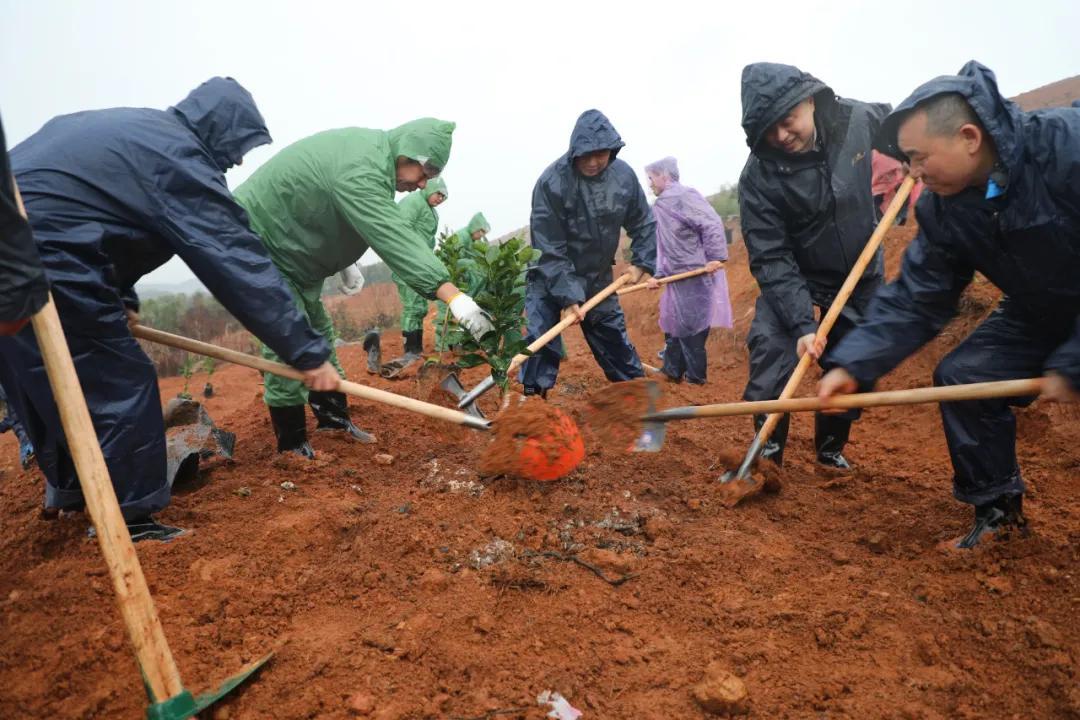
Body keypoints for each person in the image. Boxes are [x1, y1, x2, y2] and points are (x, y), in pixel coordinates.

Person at [3, 78, 337, 541]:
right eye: (237, 147)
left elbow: (100, 219)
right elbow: (233, 257)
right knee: (120, 380)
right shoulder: (176, 157)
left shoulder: (136, 132)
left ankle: (75, 493)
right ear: (220, 130)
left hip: (22, 240)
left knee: (39, 375)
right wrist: (305, 351)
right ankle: (129, 520)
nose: (237, 160)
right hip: (45, 253)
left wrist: (120, 299)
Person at [820, 61, 1080, 548]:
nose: (911, 172)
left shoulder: (1066, 147)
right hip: (1038, 307)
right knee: (966, 376)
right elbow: (918, 296)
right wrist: (853, 365)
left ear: (968, 137)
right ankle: (999, 514)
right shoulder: (943, 205)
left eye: (918, 158)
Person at [233, 120, 493, 456]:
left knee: (319, 335)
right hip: (260, 245)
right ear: (407, 153)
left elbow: (324, 206)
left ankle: (334, 421)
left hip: (293, 255)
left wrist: (342, 259)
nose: (423, 183)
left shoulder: (371, 159)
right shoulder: (363, 164)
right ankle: (292, 444)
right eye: (425, 171)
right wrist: (452, 295)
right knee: (289, 340)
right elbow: (392, 235)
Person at [737, 62, 890, 469]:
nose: (781, 136)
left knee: (853, 365)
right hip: (795, 275)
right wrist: (803, 324)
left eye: (788, 121)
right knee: (771, 355)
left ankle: (830, 449)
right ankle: (768, 456)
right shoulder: (758, 177)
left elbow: (903, 128)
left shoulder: (855, 120)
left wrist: (913, 154)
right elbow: (771, 254)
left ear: (809, 100)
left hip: (859, 270)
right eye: (769, 129)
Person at [519, 109, 657, 397]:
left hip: (596, 276)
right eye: (588, 155)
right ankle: (531, 405)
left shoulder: (624, 177)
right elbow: (549, 247)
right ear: (575, 152)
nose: (595, 162)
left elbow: (643, 222)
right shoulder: (552, 183)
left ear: (612, 150)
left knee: (614, 340)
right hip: (549, 275)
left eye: (602, 154)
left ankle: (637, 402)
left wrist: (642, 261)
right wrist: (568, 296)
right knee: (541, 341)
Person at [644, 156, 732, 384]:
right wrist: (658, 275)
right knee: (675, 325)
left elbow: (710, 222)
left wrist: (714, 257)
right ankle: (672, 371)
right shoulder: (662, 204)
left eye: (651, 178)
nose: (650, 184)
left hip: (695, 275)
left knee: (692, 328)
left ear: (664, 175)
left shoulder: (684, 196)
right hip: (676, 277)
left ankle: (695, 379)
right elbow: (664, 246)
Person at [383, 177, 448, 373]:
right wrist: (407, 256)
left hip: (419, 263)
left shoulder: (429, 209)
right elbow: (400, 229)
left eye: (443, 197)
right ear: (431, 189)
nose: (440, 199)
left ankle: (416, 351)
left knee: (419, 307)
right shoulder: (413, 202)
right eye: (439, 194)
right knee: (412, 306)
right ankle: (409, 350)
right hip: (406, 262)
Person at [434, 210, 491, 351]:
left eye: (484, 233)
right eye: (481, 231)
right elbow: (454, 261)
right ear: (475, 227)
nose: (481, 235)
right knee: (446, 312)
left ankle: (455, 344)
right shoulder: (462, 237)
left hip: (458, 279)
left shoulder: (471, 241)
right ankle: (443, 347)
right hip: (446, 278)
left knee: (458, 312)